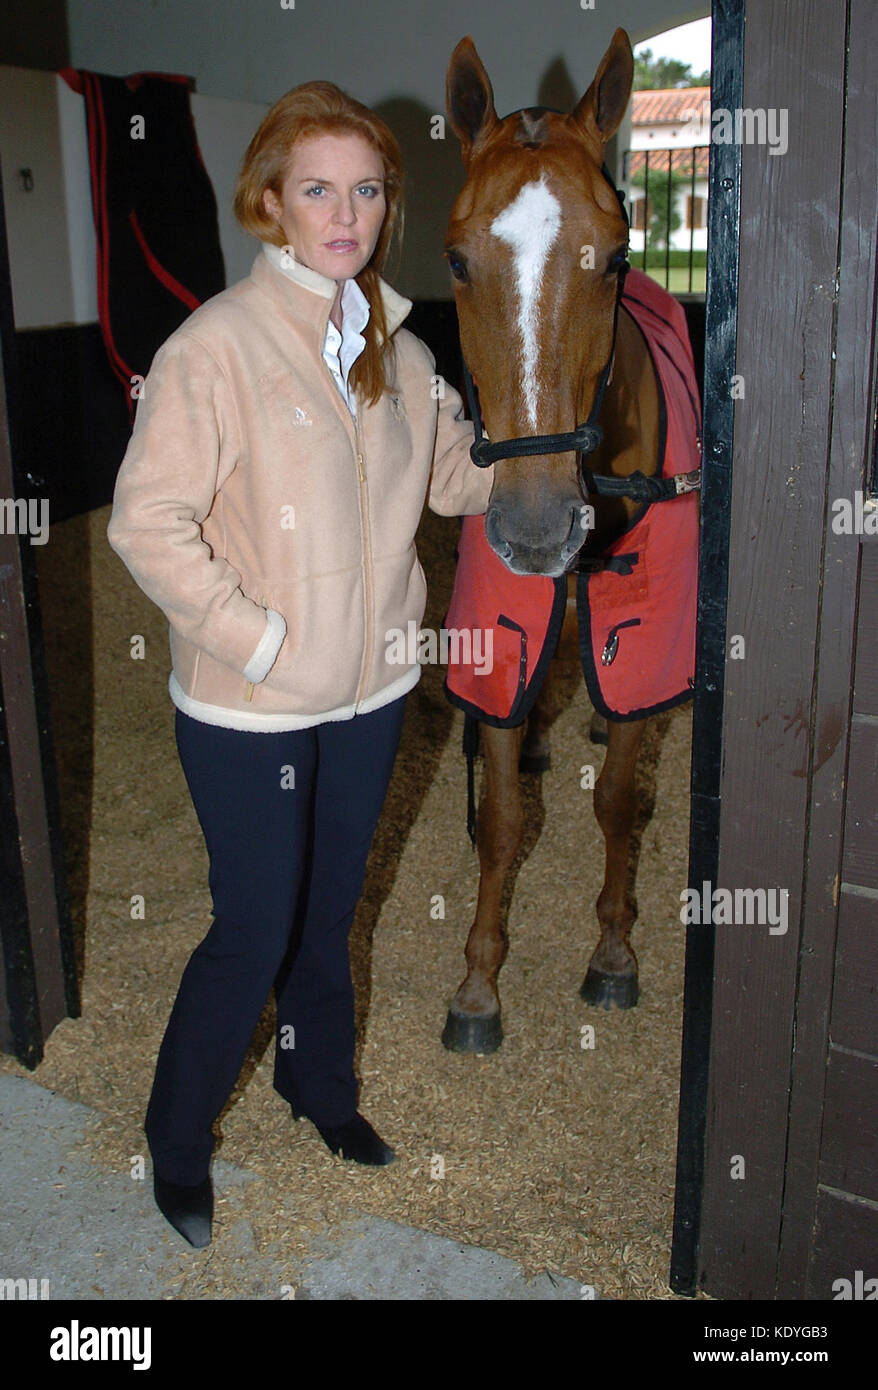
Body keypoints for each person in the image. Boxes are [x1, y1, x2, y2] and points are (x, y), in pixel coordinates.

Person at [107, 80, 493, 1249]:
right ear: (269, 201)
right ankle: (176, 1144)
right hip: (253, 711)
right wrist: (261, 641)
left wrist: (553, 479)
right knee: (255, 927)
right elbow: (146, 524)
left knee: (329, 915)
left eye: (367, 189)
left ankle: (316, 1090)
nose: (346, 212)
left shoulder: (403, 346)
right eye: (317, 188)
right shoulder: (212, 349)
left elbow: (453, 483)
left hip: (370, 691)